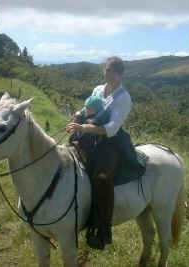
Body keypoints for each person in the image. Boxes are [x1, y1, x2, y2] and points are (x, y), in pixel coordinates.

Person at [67, 56, 145, 250]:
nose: (107, 74)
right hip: (89, 137)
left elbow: (112, 127)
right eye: (106, 70)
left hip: (109, 143)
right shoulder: (98, 89)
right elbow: (89, 107)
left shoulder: (123, 97)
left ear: (119, 74)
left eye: (111, 71)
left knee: (102, 179)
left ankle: (102, 229)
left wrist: (85, 128)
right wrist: (79, 114)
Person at [69, 95, 109, 162]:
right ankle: (75, 143)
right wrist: (74, 122)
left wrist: (93, 122)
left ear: (97, 109)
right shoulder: (85, 112)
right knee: (72, 138)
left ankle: (83, 153)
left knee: (87, 138)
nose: (87, 110)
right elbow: (80, 117)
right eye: (86, 107)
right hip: (80, 133)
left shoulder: (101, 117)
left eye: (90, 109)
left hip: (93, 139)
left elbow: (98, 129)